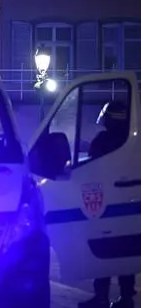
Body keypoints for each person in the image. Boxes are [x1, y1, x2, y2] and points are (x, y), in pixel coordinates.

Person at [79, 100, 134, 308]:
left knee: (104, 250)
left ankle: (101, 297)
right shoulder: (132, 142)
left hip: (103, 202)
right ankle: (126, 297)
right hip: (128, 202)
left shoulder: (102, 141)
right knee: (124, 251)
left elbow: (90, 168)